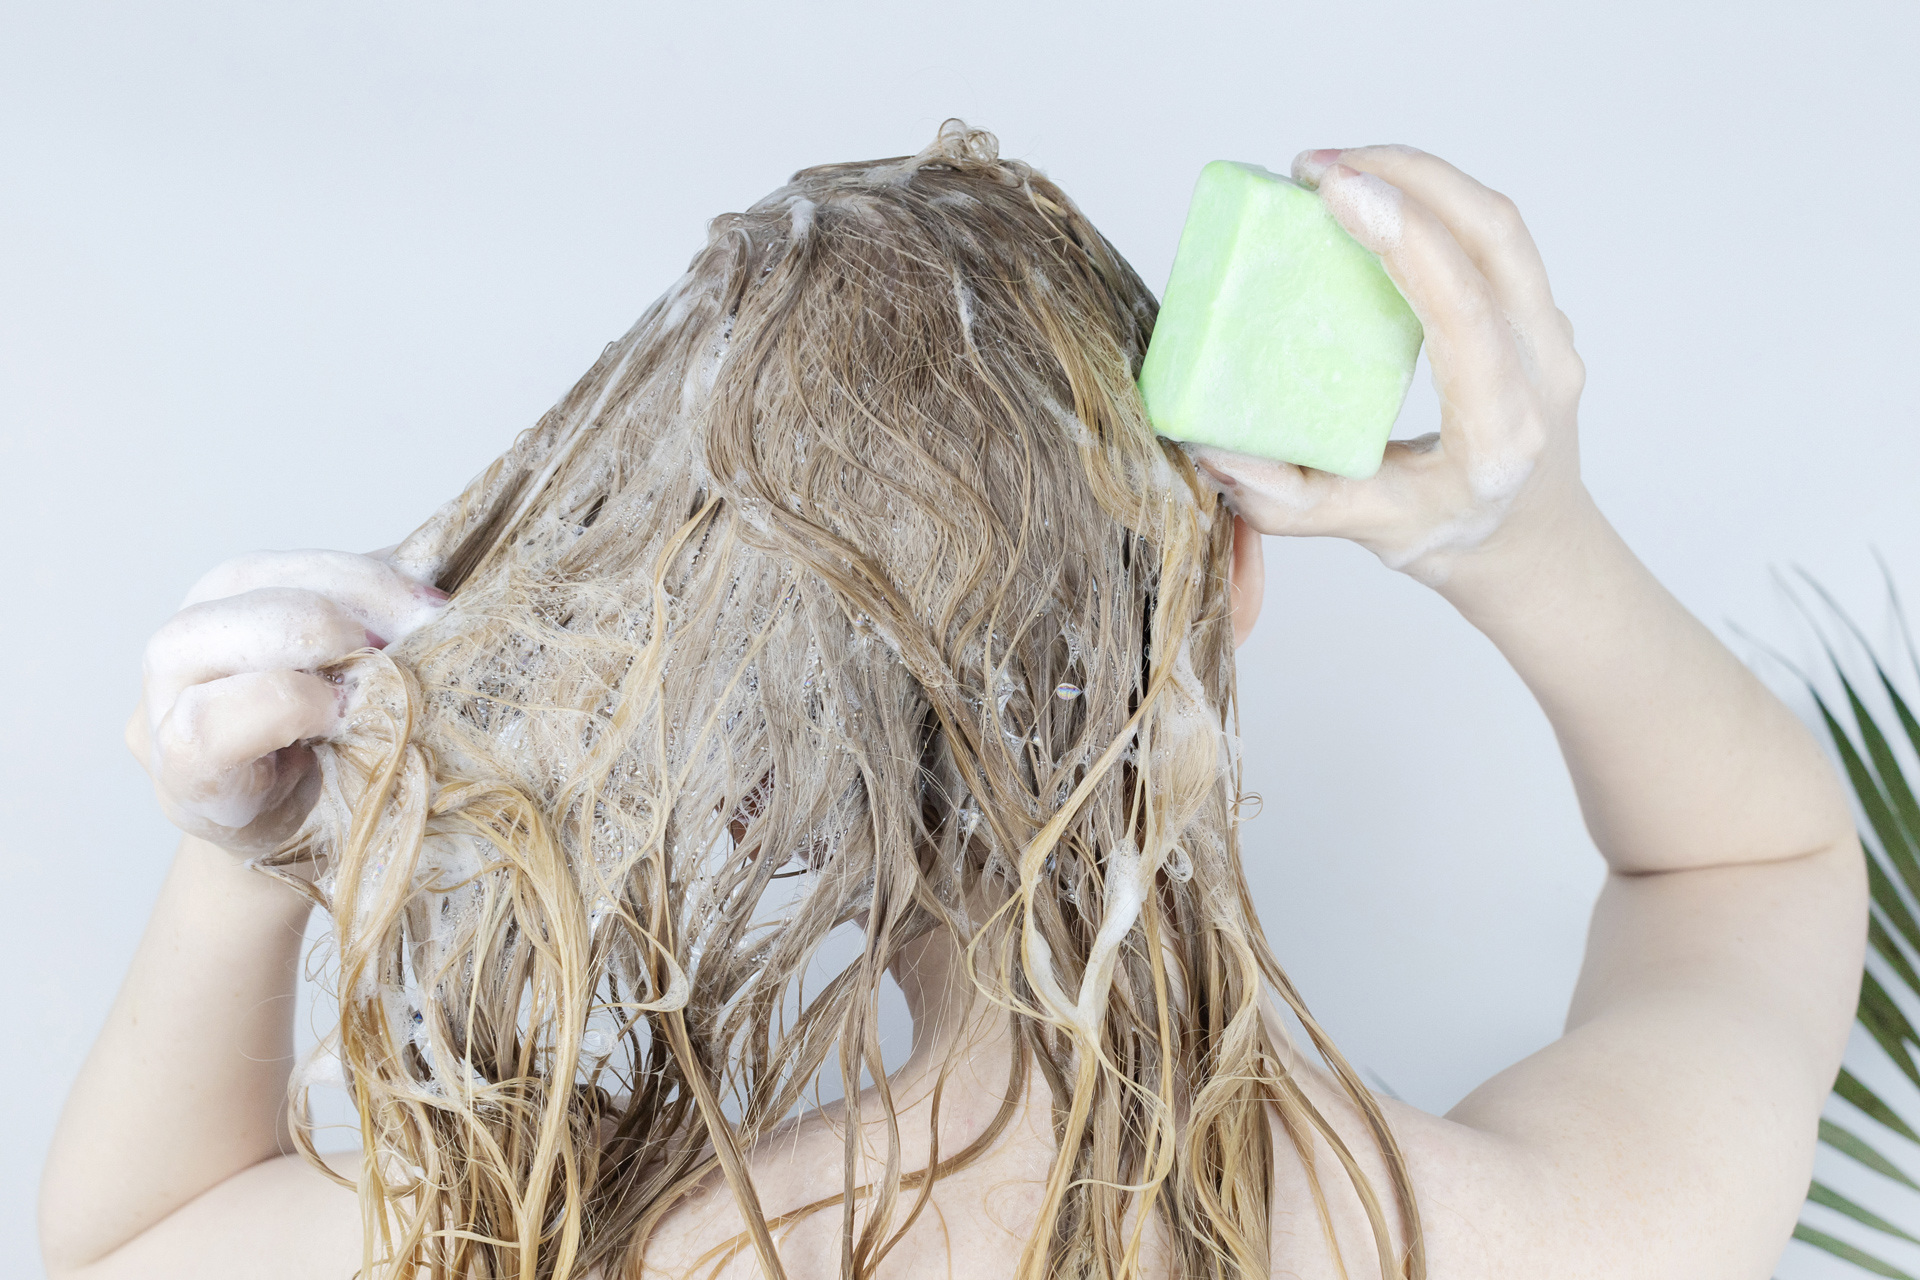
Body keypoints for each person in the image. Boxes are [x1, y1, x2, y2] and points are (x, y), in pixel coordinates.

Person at [38, 124, 1865, 1280]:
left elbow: (131, 1245)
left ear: (744, 755)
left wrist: (241, 863)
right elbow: (1755, 875)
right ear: (1228, 591)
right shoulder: (1538, 1241)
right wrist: (1522, 538)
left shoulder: (596, 1253)